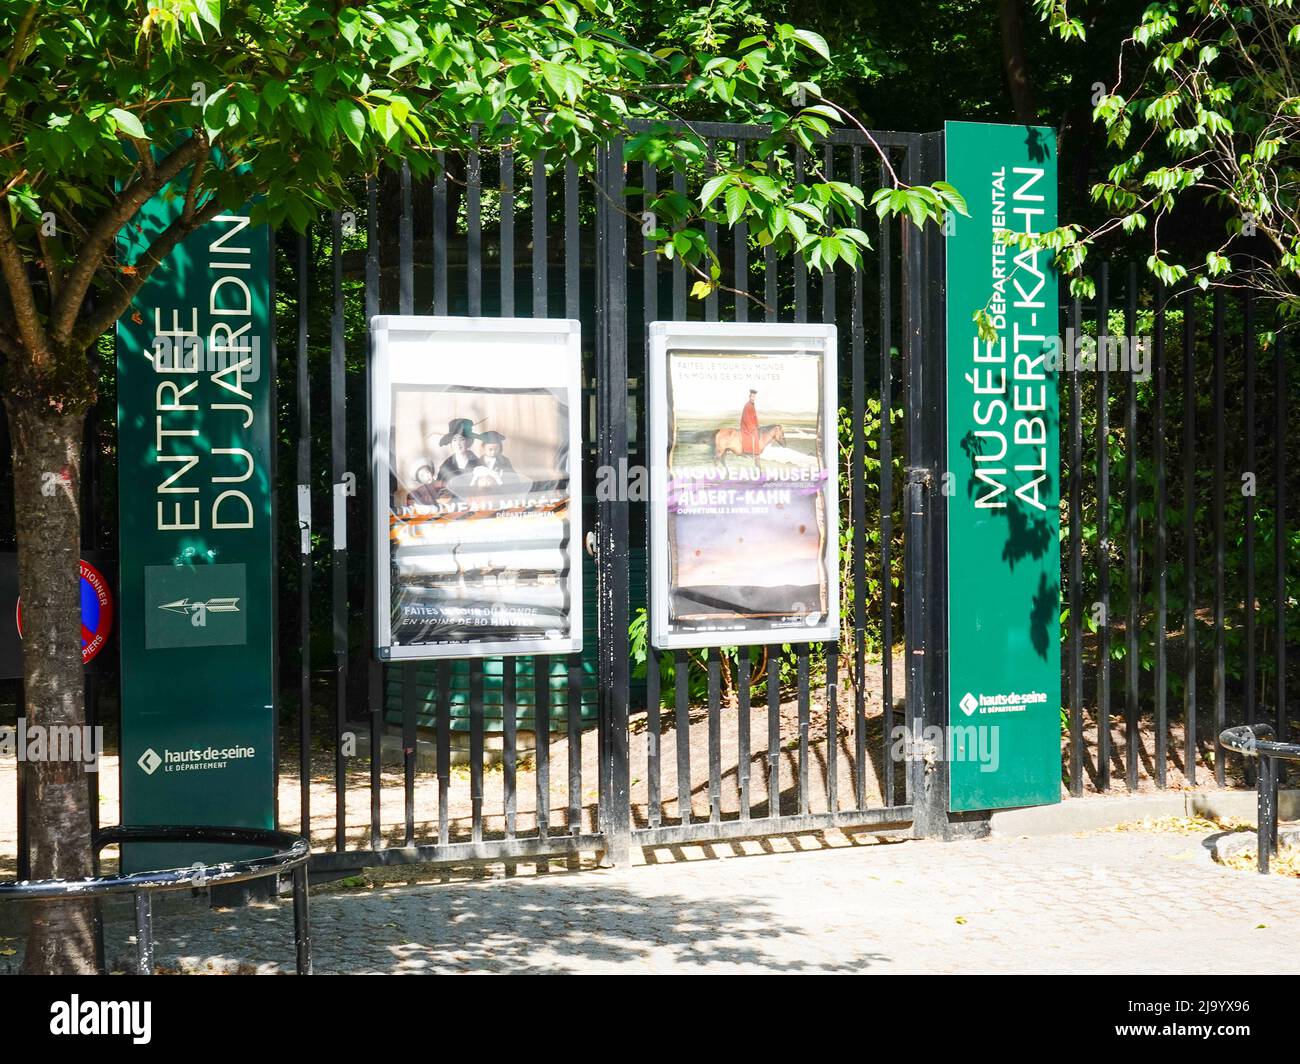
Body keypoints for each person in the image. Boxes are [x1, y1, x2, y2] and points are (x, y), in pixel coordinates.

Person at [434, 418, 482, 487]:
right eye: (454, 440)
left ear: (469, 441)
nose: (458, 444)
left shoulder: (478, 463)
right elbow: (439, 488)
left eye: (462, 439)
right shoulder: (446, 466)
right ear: (451, 442)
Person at [739, 388, 760, 456]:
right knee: (754, 434)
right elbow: (746, 418)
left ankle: (755, 451)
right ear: (749, 397)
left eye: (754, 397)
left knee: (757, 431)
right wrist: (752, 427)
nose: (753, 398)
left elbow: (754, 416)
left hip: (751, 424)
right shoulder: (747, 405)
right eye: (752, 396)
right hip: (746, 425)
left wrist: (756, 424)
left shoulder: (752, 405)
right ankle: (749, 452)